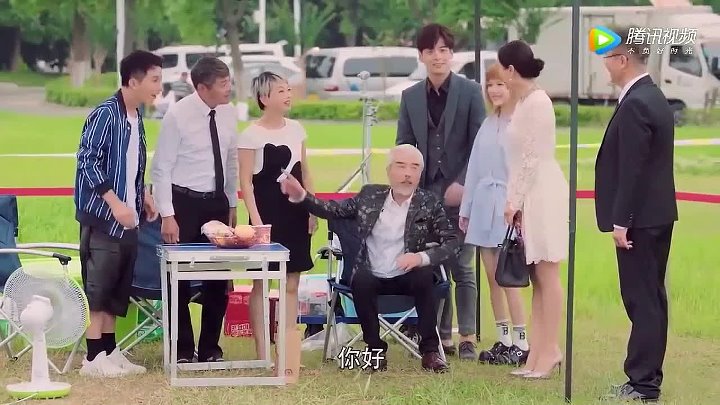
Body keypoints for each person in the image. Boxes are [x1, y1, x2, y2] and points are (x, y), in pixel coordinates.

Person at [279, 145, 457, 373]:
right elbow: (333, 210)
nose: (407, 174)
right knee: (361, 279)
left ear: (420, 174)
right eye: (401, 166)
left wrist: (421, 257)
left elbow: (452, 241)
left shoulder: (428, 202)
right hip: (372, 274)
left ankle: (430, 352)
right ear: (389, 171)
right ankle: (375, 350)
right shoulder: (369, 196)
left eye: (414, 168)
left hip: (408, 275)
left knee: (424, 276)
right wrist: (302, 196)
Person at [595, 26, 678, 403]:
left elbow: (633, 168)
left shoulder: (637, 103)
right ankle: (645, 378)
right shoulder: (651, 96)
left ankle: (643, 383)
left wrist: (621, 221)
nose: (605, 65)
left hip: (640, 220)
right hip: (655, 215)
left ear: (623, 59)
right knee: (651, 298)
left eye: (608, 58)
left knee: (642, 300)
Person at [396, 22, 485, 360]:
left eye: (444, 50)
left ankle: (468, 336)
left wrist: (463, 184)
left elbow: (479, 145)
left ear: (452, 54)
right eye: (431, 50)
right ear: (421, 55)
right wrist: (408, 187)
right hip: (424, 196)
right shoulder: (410, 97)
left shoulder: (470, 92)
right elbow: (404, 145)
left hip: (462, 193)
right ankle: (439, 335)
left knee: (462, 265)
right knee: (432, 265)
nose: (438, 56)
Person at [75, 50, 162, 377]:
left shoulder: (136, 117)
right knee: (99, 290)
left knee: (116, 290)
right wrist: (114, 203)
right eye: (154, 80)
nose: (159, 88)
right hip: (103, 218)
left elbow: (131, 167)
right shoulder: (105, 115)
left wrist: (144, 196)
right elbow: (87, 162)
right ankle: (92, 358)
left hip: (130, 219)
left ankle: (110, 352)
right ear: (133, 81)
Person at [151, 56, 239, 363]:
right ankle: (183, 350)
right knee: (179, 280)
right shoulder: (178, 115)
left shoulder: (229, 113)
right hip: (183, 203)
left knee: (218, 278)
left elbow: (231, 160)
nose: (229, 88)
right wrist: (167, 214)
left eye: (229, 82)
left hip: (216, 203)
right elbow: (161, 167)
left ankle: (211, 348)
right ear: (202, 87)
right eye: (223, 84)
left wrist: (231, 202)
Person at [497, 40, 568, 379]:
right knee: (537, 277)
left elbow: (532, 158)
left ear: (511, 70)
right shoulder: (524, 102)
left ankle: (550, 349)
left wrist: (515, 200)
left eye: (502, 70)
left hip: (542, 192)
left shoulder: (538, 102)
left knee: (547, 273)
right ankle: (537, 352)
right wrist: (514, 199)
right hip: (528, 193)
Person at [237, 71, 316, 359]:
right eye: (281, 91)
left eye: (288, 90)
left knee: (292, 281)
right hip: (266, 213)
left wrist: (312, 208)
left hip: (296, 212)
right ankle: (263, 352)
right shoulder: (250, 135)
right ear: (264, 97)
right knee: (262, 281)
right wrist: (257, 222)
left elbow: (305, 171)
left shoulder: (297, 129)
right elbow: (246, 182)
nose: (288, 95)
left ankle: (287, 351)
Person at [459, 63, 529, 366]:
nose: (495, 90)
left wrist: (519, 207)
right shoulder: (488, 124)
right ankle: (503, 338)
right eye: (490, 85)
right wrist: (466, 209)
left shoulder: (521, 123)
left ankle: (522, 342)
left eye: (500, 84)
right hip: (483, 205)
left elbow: (525, 169)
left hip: (507, 208)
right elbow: (474, 169)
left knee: (508, 276)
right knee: (491, 277)